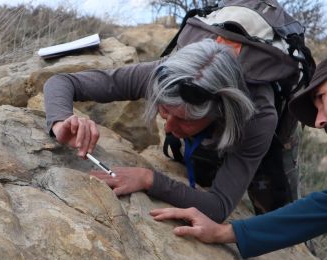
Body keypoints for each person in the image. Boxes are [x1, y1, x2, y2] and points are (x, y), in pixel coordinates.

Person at [44, 39, 298, 223]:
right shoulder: (164, 77)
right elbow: (62, 81)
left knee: (277, 211)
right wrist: (61, 121)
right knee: (199, 166)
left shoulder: (258, 119)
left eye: (184, 120)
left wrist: (149, 179)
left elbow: (219, 206)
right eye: (164, 111)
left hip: (256, 129)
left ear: (219, 113)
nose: (168, 127)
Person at [149, 59, 327, 258]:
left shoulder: (260, 118)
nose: (319, 121)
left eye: (321, 97)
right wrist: (224, 232)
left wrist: (149, 179)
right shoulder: (176, 76)